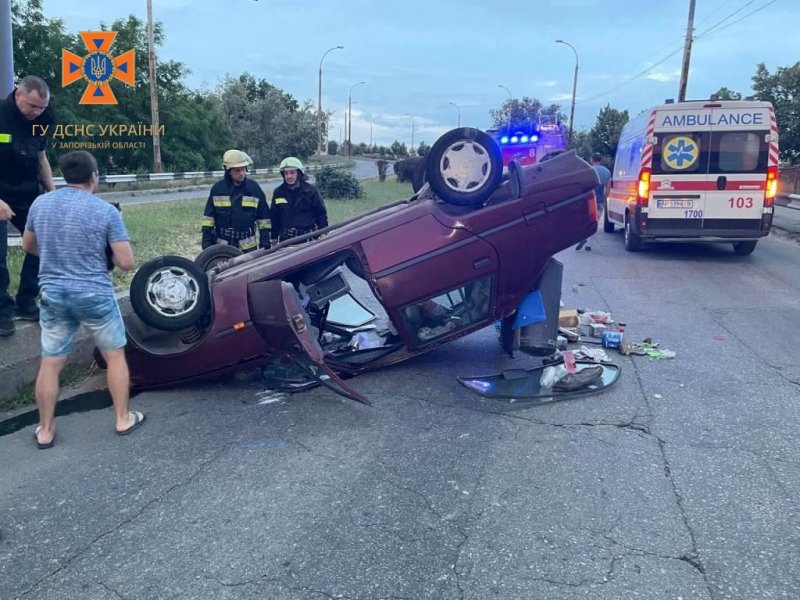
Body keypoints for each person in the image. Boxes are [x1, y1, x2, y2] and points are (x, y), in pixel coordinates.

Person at [22, 150, 143, 449]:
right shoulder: (106, 212)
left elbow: (28, 246)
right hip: (94, 294)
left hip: (53, 294)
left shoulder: (41, 203)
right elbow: (126, 262)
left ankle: (46, 430)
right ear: (94, 176)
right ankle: (122, 418)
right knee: (114, 356)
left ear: (64, 176)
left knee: (50, 363)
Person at [0, 76, 55, 336]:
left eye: (41, 108)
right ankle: (1, 311)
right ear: (18, 94)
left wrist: (53, 195)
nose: (36, 112)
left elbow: (42, 158)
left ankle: (26, 301)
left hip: (28, 192)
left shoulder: (42, 120)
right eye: (32, 106)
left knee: (42, 243)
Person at [201, 149, 271, 252]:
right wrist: (206, 241)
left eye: (243, 169)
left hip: (247, 247)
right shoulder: (217, 189)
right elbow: (209, 219)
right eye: (237, 170)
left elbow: (264, 219)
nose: (242, 173)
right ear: (228, 171)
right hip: (223, 246)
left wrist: (265, 243)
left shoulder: (254, 189)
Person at [270, 157, 328, 244]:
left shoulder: (311, 191)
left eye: (292, 172)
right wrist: (273, 237)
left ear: (299, 173)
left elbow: (321, 213)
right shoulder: (278, 193)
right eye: (286, 173)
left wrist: (323, 233)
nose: (289, 176)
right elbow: (274, 217)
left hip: (308, 239)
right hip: (286, 241)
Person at [576, 152, 611, 251]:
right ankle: (589, 244)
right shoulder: (607, 172)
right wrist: (605, 199)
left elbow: (582, 186)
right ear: (601, 160)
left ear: (592, 159)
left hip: (587, 200)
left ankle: (583, 236)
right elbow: (608, 188)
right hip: (599, 201)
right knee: (594, 222)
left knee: (585, 220)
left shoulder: (588, 170)